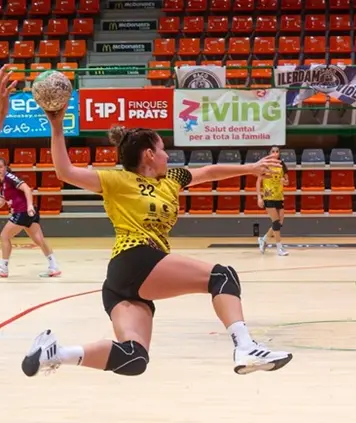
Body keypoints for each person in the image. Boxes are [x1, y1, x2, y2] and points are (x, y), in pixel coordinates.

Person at [21, 110, 293, 378]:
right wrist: (57, 128)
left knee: (134, 357)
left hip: (125, 282)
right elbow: (64, 171)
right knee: (222, 275)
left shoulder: (171, 180)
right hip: (135, 257)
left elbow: (209, 172)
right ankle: (245, 347)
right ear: (149, 154)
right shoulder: (117, 180)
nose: (167, 155)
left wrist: (251, 168)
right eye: (163, 149)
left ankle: (55, 353)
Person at [0, 158, 60, 278]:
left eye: (0, 167)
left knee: (4, 236)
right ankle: (54, 266)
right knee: (39, 240)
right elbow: (2, 201)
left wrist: (29, 206)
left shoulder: (10, 178)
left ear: (5, 167)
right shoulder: (1, 184)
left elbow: (27, 188)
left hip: (23, 211)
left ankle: (3, 268)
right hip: (26, 213)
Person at [256, 146, 289, 256]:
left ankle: (264, 239)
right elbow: (258, 181)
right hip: (268, 196)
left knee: (279, 223)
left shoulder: (282, 165)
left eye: (277, 151)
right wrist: (259, 197)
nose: (275, 153)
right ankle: (279, 247)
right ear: (270, 153)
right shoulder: (265, 165)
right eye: (273, 151)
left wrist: (283, 181)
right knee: (275, 222)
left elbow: (287, 181)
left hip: (279, 196)